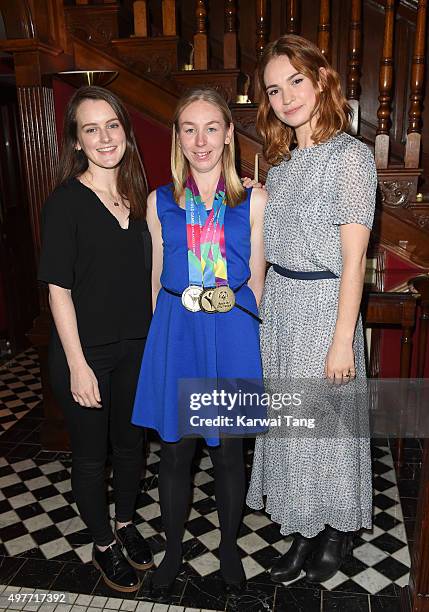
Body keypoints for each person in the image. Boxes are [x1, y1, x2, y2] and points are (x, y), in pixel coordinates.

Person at [246, 34, 377, 584]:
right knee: (294, 430)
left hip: (326, 308)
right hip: (282, 307)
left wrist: (342, 338)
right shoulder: (279, 164)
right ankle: (303, 528)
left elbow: (354, 262)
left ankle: (334, 530)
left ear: (322, 80)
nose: (286, 98)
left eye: (296, 81)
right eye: (275, 90)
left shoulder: (352, 157)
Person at [131, 87, 267, 597]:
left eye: (212, 127)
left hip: (230, 331)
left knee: (229, 453)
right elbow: (154, 278)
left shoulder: (254, 199)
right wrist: (167, 338)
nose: (201, 139)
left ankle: (228, 546)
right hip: (178, 332)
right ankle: (172, 549)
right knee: (174, 452)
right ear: (177, 137)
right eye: (189, 128)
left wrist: (235, 330)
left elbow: (257, 280)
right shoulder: (159, 200)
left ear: (230, 134)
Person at [38, 86, 153, 593]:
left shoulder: (137, 197)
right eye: (91, 129)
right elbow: (58, 290)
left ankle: (125, 525)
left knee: (130, 445)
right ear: (78, 142)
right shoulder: (65, 202)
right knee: (91, 455)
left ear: (125, 132)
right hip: (85, 355)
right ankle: (102, 542)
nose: (105, 137)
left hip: (136, 347)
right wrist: (77, 364)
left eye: (112, 125)